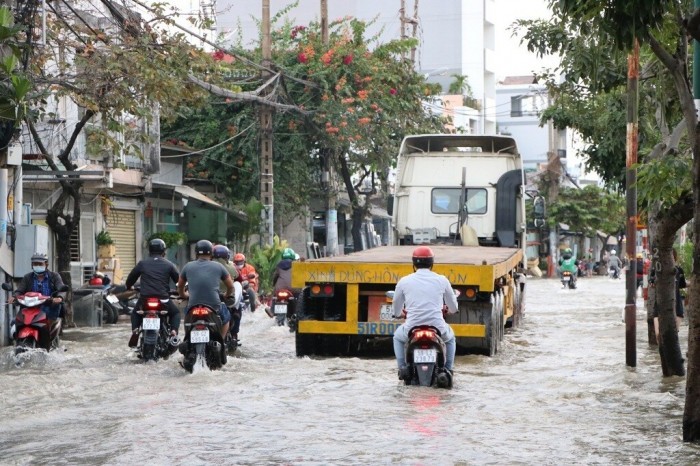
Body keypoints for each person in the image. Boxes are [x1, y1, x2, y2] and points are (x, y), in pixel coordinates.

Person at [392, 246, 459, 381]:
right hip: (437, 328)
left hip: (412, 328)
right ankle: (448, 369)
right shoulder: (442, 280)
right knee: (451, 339)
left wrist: (399, 314)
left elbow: (396, 308)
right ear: (432, 263)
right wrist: (449, 310)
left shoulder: (404, 281)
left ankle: (402, 369)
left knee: (397, 338)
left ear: (414, 263)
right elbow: (453, 306)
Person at [125, 238, 181, 347]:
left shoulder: (142, 264)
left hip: (145, 298)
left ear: (149, 251)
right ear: (164, 251)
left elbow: (130, 279)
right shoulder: (169, 264)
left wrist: (129, 287)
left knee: (136, 313)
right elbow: (179, 282)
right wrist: (181, 292)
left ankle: (135, 330)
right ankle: (173, 332)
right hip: (163, 299)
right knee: (175, 313)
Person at [178, 240, 234, 341]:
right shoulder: (219, 266)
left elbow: (180, 286)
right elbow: (230, 286)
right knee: (226, 319)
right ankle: (220, 342)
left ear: (196, 253)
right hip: (214, 305)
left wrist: (184, 295)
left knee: (187, 320)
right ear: (211, 253)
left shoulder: (188, 266)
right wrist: (226, 295)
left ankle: (188, 340)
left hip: (193, 305)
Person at [11, 252, 66, 350]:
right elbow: (19, 291)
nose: (37, 266)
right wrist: (14, 297)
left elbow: (60, 288)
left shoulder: (54, 276)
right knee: (14, 322)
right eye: (35, 264)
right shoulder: (27, 277)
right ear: (32, 265)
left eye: (40, 264)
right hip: (30, 308)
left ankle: (48, 341)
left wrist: (59, 298)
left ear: (46, 264)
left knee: (50, 322)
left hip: (49, 307)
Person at [212, 244, 241, 343]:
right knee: (236, 311)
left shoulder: (200, 266)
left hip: (203, 299)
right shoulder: (229, 267)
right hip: (223, 298)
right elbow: (237, 278)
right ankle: (234, 334)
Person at [271, 247, 301, 318]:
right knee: (298, 297)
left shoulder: (278, 265)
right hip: (293, 288)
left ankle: (272, 310)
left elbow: (275, 277)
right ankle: (297, 312)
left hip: (279, 288)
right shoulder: (296, 264)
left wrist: (273, 285)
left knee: (275, 297)